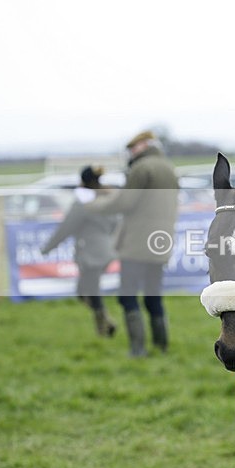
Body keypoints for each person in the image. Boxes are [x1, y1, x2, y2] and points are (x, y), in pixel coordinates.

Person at [86, 131, 179, 357]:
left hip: (137, 244)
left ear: (144, 145)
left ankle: (137, 350)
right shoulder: (168, 167)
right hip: (160, 243)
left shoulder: (141, 168)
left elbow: (125, 202)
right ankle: (161, 346)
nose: (131, 152)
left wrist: (92, 206)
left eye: (133, 148)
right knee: (153, 296)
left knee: (127, 296)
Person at [41, 165, 119, 338]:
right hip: (106, 252)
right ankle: (105, 324)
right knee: (89, 290)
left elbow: (65, 229)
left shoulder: (83, 204)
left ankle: (105, 326)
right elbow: (116, 223)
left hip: (91, 254)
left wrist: (47, 248)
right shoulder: (107, 200)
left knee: (87, 292)